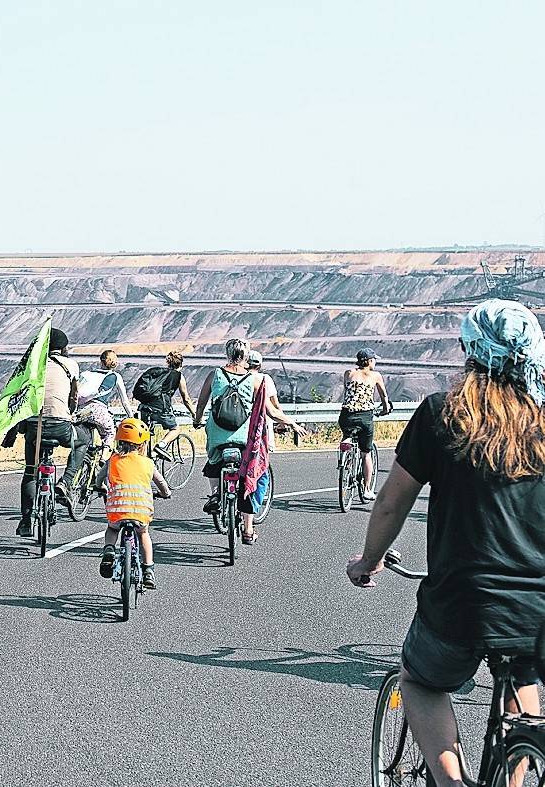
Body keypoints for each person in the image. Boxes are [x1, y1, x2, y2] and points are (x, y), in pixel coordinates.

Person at [346, 299, 545, 787]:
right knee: (525, 684)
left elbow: (392, 502)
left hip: (463, 601)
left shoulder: (442, 413)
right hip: (538, 609)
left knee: (420, 682)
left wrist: (368, 561)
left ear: (469, 352)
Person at [193, 338, 306, 543]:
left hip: (217, 432)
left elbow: (201, 405)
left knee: (213, 461)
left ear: (227, 354)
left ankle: (215, 495)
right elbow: (271, 412)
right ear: (245, 356)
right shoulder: (255, 380)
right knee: (248, 478)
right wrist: (292, 423)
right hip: (245, 436)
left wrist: (197, 420)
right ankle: (247, 530)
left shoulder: (214, 374)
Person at [16, 328, 85, 537]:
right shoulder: (71, 365)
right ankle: (65, 482)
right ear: (64, 349)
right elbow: (74, 396)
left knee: (30, 471)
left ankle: (27, 521)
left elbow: (20, 397)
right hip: (61, 426)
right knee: (83, 441)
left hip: (34, 427)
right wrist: (70, 412)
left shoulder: (32, 366)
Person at [97, 418, 158, 590]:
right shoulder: (148, 463)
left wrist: (99, 486)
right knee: (143, 533)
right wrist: (165, 493)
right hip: (140, 511)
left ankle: (109, 550)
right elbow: (162, 484)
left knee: (112, 529)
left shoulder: (112, 460)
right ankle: (148, 570)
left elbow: (99, 478)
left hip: (117, 510)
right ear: (141, 445)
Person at [339, 347, 393, 502]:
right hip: (365, 417)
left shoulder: (348, 373)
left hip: (346, 416)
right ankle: (368, 489)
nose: (375, 362)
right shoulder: (375, 375)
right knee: (366, 453)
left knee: (348, 435)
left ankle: (346, 445)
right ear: (369, 361)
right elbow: (383, 395)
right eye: (374, 359)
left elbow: (348, 392)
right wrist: (385, 408)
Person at [134, 351, 198, 459]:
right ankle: (161, 446)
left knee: (143, 438)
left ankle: (145, 462)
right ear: (181, 365)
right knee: (175, 429)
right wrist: (194, 414)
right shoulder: (178, 376)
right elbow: (186, 398)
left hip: (144, 407)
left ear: (168, 363)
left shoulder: (157, 372)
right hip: (161, 409)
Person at [74, 350, 135, 448]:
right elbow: (125, 401)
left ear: (101, 361)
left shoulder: (87, 373)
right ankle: (104, 456)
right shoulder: (115, 376)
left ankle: (86, 454)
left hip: (81, 411)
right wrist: (131, 417)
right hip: (99, 412)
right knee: (109, 433)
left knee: (82, 440)